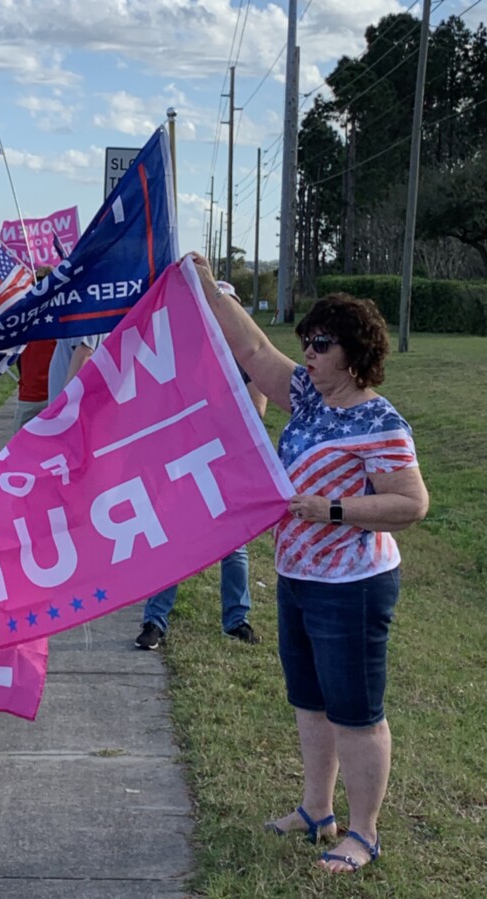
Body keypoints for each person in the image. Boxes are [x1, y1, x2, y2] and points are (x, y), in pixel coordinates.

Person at [186, 251, 429, 874]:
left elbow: (411, 503)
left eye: (321, 344)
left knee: (356, 711)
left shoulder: (379, 421)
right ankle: (316, 811)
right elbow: (256, 352)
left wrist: (335, 510)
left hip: (352, 586)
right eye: (309, 342)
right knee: (310, 703)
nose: (310, 353)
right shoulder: (309, 396)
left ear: (354, 352)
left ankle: (364, 833)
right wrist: (212, 286)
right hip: (297, 578)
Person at [135, 283, 267, 651]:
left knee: (234, 546)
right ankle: (155, 621)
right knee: (173, 540)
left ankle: (236, 620)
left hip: (226, 463)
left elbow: (256, 412)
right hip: (183, 462)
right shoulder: (178, 356)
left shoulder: (245, 358)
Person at [13, 266, 56, 429]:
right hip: (51, 392)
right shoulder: (62, 314)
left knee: (19, 449)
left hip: (33, 394)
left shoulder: (24, 316)